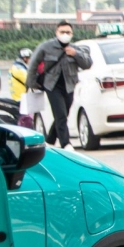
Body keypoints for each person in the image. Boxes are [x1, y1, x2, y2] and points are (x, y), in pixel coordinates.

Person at [26, 20, 93, 150]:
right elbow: (33, 64)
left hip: (69, 85)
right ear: (56, 33)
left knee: (64, 113)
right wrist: (32, 83)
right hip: (52, 86)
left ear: (72, 34)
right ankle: (65, 143)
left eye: (68, 32)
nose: (65, 34)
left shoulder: (76, 48)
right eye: (62, 32)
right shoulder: (46, 47)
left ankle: (50, 139)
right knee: (60, 114)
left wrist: (75, 54)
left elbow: (88, 64)